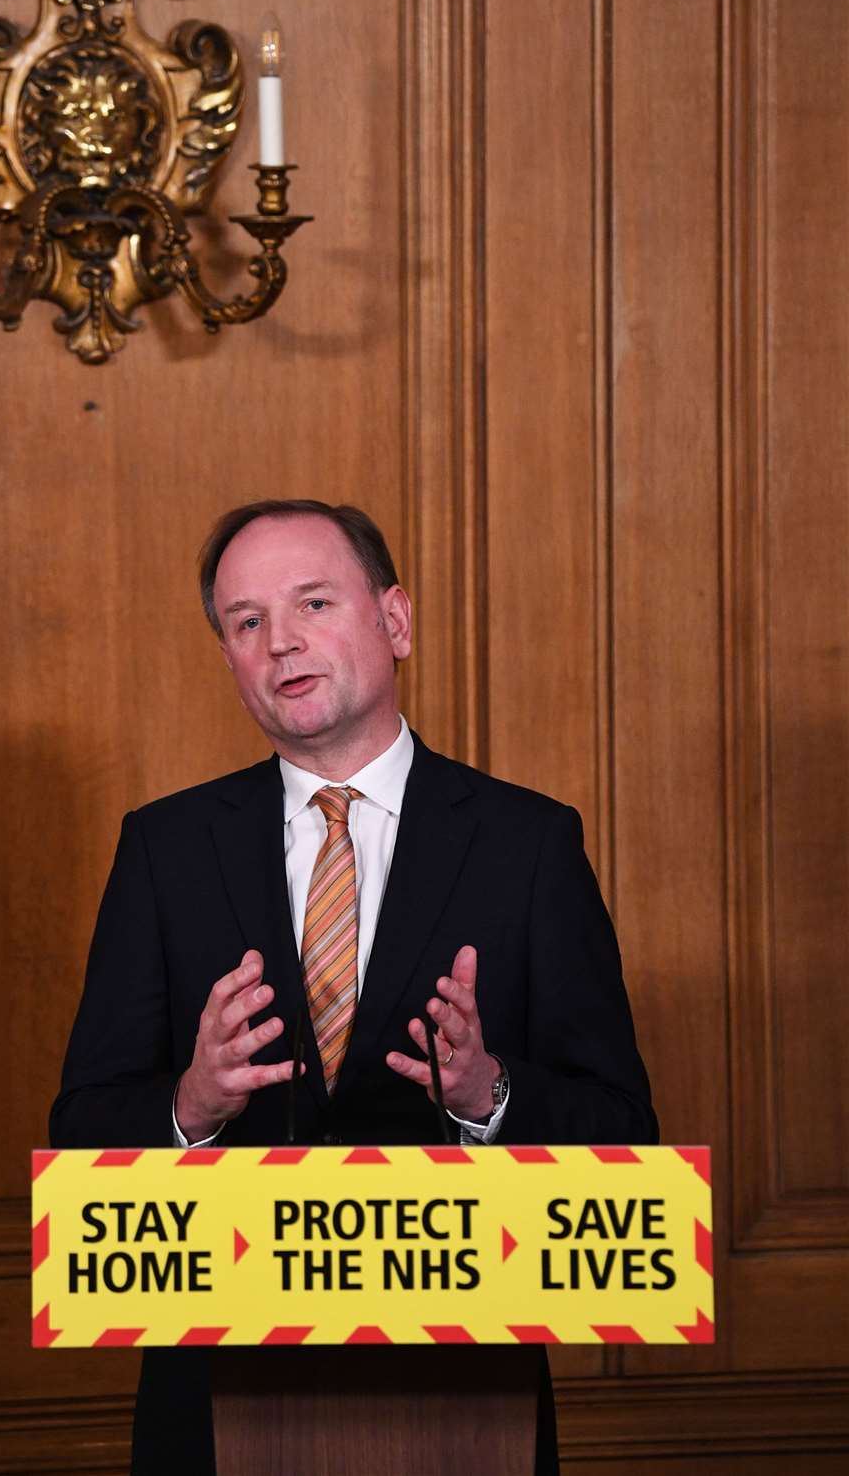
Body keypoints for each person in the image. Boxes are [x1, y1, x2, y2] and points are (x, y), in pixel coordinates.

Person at [50, 498, 657, 1475]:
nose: (280, 641)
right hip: (211, 1401)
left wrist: (487, 1096)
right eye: (246, 622)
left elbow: (627, 1137)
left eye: (314, 603)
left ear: (396, 621)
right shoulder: (164, 850)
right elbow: (78, 1136)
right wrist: (189, 1107)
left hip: (464, 1402)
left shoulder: (527, 845)